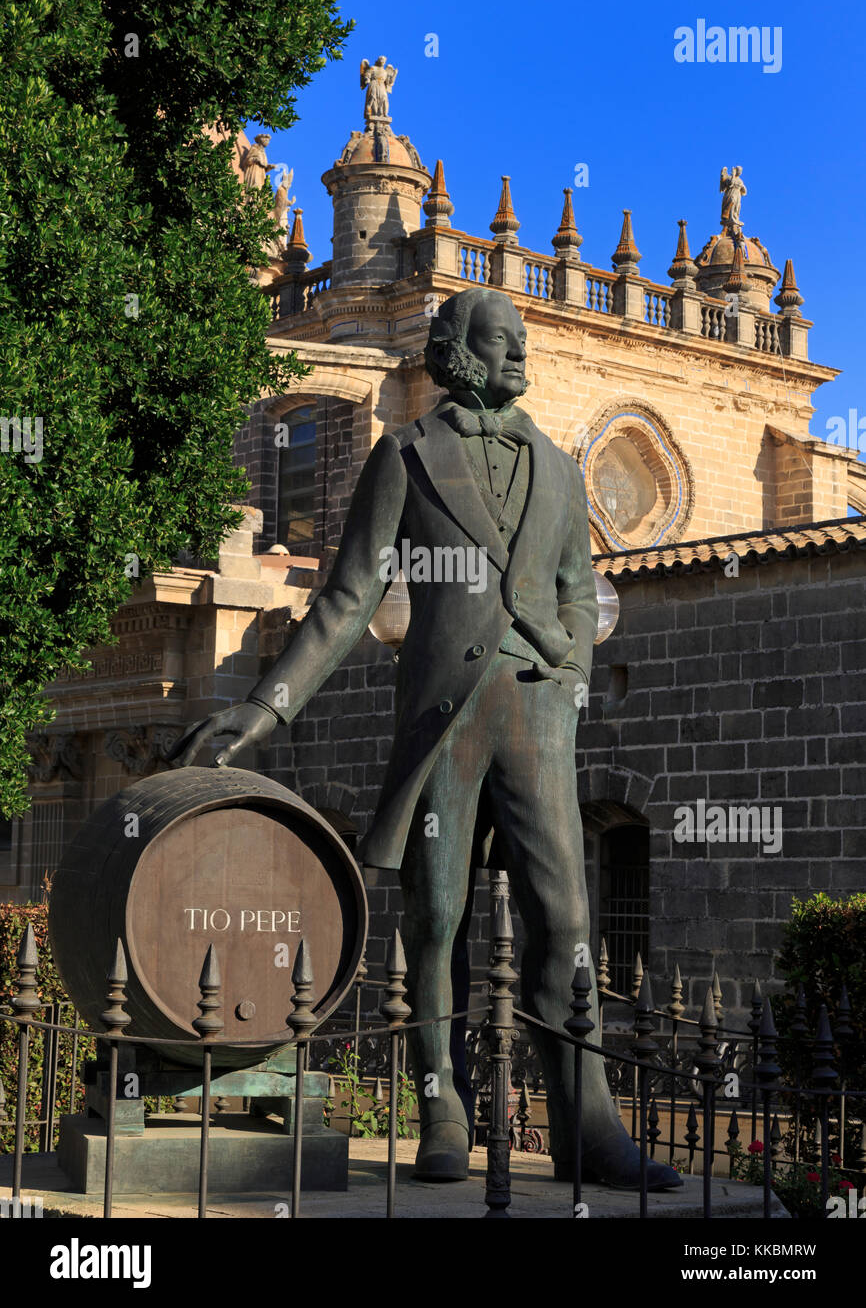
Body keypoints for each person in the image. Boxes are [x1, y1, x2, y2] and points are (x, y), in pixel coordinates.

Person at [170, 287, 681, 1190]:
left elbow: (578, 587)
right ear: (459, 353)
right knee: (437, 919)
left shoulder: (561, 471)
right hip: (444, 720)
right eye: (501, 340)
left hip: (535, 717)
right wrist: (261, 710)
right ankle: (441, 1109)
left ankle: (589, 1125)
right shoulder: (403, 455)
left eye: (524, 339)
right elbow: (346, 599)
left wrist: (567, 676)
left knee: (565, 919)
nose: (519, 352)